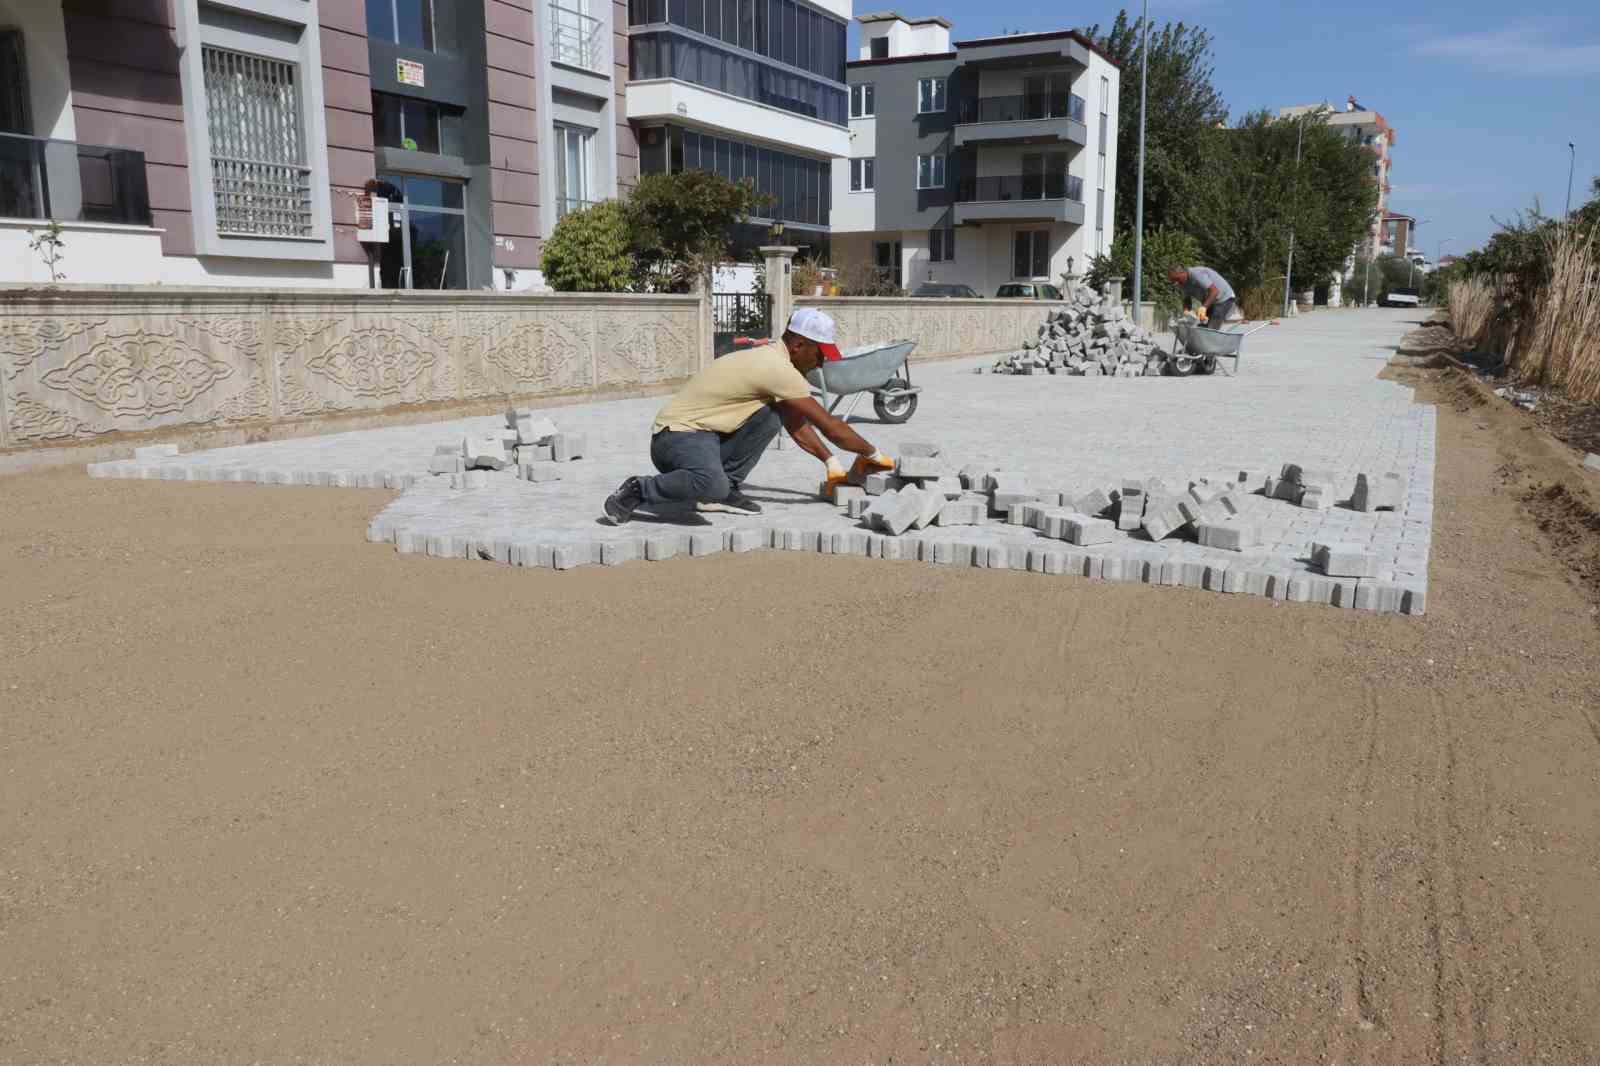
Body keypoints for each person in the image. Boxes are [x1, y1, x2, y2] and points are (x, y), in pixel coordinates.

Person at [602, 308, 895, 524]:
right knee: (710, 483)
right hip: (676, 437)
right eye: (819, 353)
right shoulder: (778, 369)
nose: (821, 362)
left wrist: (830, 462)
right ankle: (638, 489)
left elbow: (795, 424)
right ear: (798, 345)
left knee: (773, 413)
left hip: (705, 436)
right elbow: (830, 426)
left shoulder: (774, 359)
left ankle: (724, 488)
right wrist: (875, 454)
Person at [1167, 265, 1237, 325]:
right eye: (1173, 281)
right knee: (1201, 326)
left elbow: (1215, 291)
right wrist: (1186, 312)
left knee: (1211, 327)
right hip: (1211, 300)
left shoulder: (1197, 274)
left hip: (1224, 298)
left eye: (1177, 279)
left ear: (1183, 272)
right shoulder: (1181, 283)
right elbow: (1186, 299)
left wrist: (1203, 307)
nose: (1176, 283)